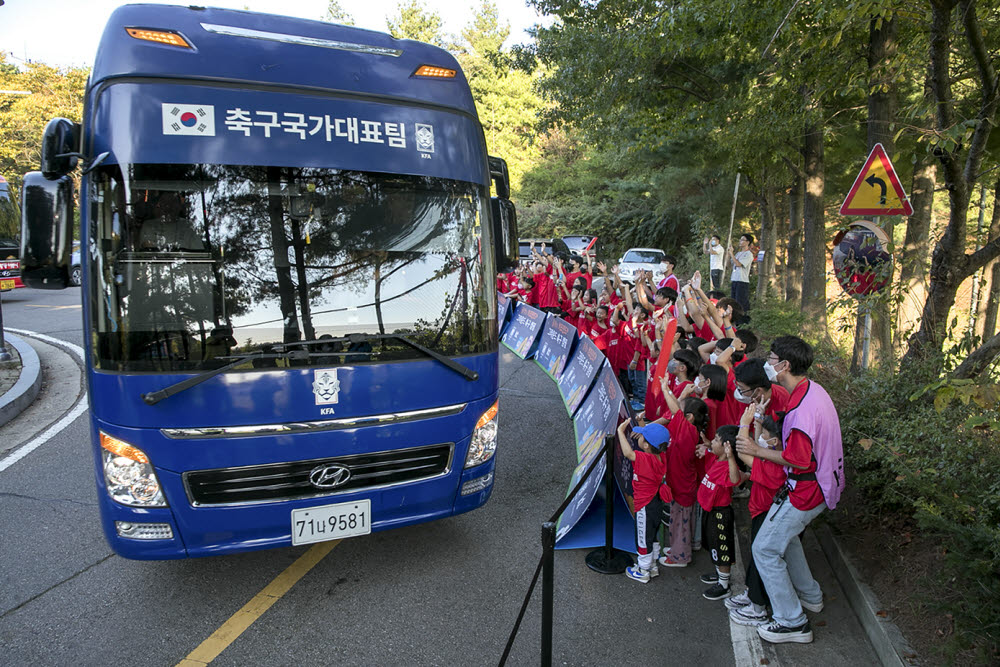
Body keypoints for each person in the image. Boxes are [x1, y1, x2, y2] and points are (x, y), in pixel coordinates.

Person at [735, 335, 845, 645]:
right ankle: (810, 595)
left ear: (784, 365)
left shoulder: (800, 413)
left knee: (765, 548)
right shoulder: (813, 392)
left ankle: (791, 621)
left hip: (807, 490)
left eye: (770, 359)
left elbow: (797, 458)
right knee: (785, 539)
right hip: (822, 484)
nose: (767, 363)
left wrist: (755, 450)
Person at [728, 406, 787, 626]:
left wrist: (745, 422)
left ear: (775, 443)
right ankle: (752, 593)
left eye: (764, 436)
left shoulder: (775, 468)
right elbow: (757, 448)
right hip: (762, 513)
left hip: (766, 515)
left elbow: (744, 452)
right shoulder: (777, 458)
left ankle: (758, 608)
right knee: (755, 558)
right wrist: (759, 422)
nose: (759, 439)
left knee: (762, 559)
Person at [618, 420, 671, 583]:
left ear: (647, 445)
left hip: (644, 505)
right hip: (656, 502)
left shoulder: (644, 458)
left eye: (642, 437)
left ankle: (643, 570)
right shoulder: (661, 456)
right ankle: (653, 565)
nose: (639, 438)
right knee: (652, 534)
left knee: (642, 537)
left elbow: (628, 453)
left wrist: (621, 432)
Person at [697, 424, 745, 600]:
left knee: (722, 547)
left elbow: (735, 479)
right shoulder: (717, 459)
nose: (713, 442)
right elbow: (710, 450)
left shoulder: (728, 467)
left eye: (717, 440)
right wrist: (707, 444)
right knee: (712, 545)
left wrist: (731, 458)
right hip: (709, 511)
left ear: (727, 448)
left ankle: (724, 585)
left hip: (720, 514)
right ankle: (719, 574)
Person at [728, 233, 754, 313]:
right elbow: (730, 264)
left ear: (748, 242)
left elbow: (738, 264)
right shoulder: (738, 254)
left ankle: (743, 322)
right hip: (735, 279)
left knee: (741, 303)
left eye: (743, 240)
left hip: (742, 281)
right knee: (733, 302)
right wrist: (728, 254)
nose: (740, 241)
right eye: (740, 239)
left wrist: (731, 253)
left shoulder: (748, 254)